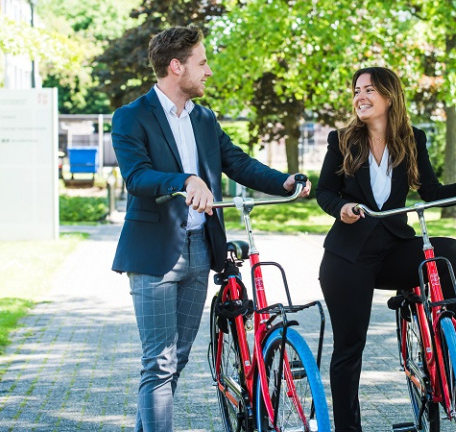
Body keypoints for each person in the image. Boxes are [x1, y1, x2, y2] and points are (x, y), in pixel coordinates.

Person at [110, 25, 310, 432]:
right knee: (159, 362)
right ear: (175, 66)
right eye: (201, 63)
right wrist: (184, 180)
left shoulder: (203, 118)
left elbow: (237, 162)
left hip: (201, 249)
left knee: (176, 358)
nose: (209, 71)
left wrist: (284, 181)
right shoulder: (131, 117)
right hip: (153, 255)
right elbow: (138, 177)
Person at [316, 66, 456, 431]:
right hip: (347, 256)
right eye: (356, 91)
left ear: (389, 96)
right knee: (350, 348)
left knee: (453, 253)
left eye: (368, 90)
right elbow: (324, 192)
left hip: (394, 248)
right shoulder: (342, 139)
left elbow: (430, 190)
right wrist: (342, 208)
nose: (359, 97)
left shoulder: (412, 138)